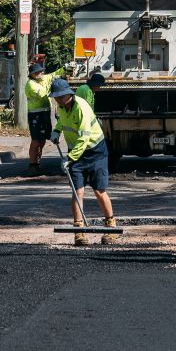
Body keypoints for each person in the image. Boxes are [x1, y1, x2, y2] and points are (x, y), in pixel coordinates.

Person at [50, 77, 116, 246]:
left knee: (99, 190)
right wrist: (57, 131)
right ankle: (78, 231)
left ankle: (111, 225)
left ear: (68, 94)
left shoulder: (81, 107)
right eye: (55, 97)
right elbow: (63, 122)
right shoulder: (62, 106)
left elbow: (84, 139)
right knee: (77, 190)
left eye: (60, 96)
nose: (57, 99)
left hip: (95, 152)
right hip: (76, 154)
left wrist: (69, 159)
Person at [24, 59, 64, 174]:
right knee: (36, 140)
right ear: (31, 75)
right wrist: (55, 87)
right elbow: (43, 93)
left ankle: (37, 162)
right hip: (35, 115)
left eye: (41, 71)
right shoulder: (30, 85)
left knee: (42, 141)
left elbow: (55, 74)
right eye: (37, 72)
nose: (40, 74)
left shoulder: (43, 78)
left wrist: (65, 68)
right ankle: (32, 164)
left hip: (45, 113)